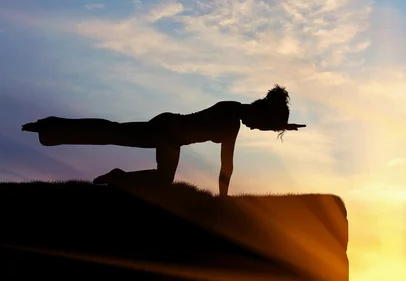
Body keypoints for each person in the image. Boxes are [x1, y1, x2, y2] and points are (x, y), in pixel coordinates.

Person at [21, 85, 306, 196]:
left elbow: (253, 124)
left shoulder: (235, 113)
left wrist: (282, 126)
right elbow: (226, 166)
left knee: (115, 133)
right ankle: (48, 128)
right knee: (113, 132)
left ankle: (117, 175)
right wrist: (223, 199)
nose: (257, 130)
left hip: (170, 132)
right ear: (260, 114)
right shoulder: (232, 118)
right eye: (263, 127)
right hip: (169, 131)